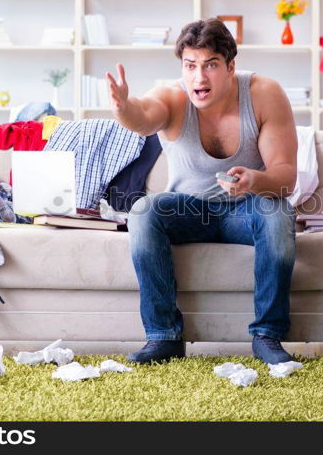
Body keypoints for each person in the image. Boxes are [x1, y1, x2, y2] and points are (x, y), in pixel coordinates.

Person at [106, 18, 298, 365]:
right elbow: (144, 116)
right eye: (190, 66)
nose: (199, 78)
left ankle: (267, 335)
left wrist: (254, 180)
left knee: (278, 211)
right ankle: (163, 337)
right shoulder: (173, 96)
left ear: (230, 67)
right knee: (144, 211)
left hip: (245, 210)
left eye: (210, 65)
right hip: (188, 211)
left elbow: (286, 177)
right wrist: (124, 108)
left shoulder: (263, 94)